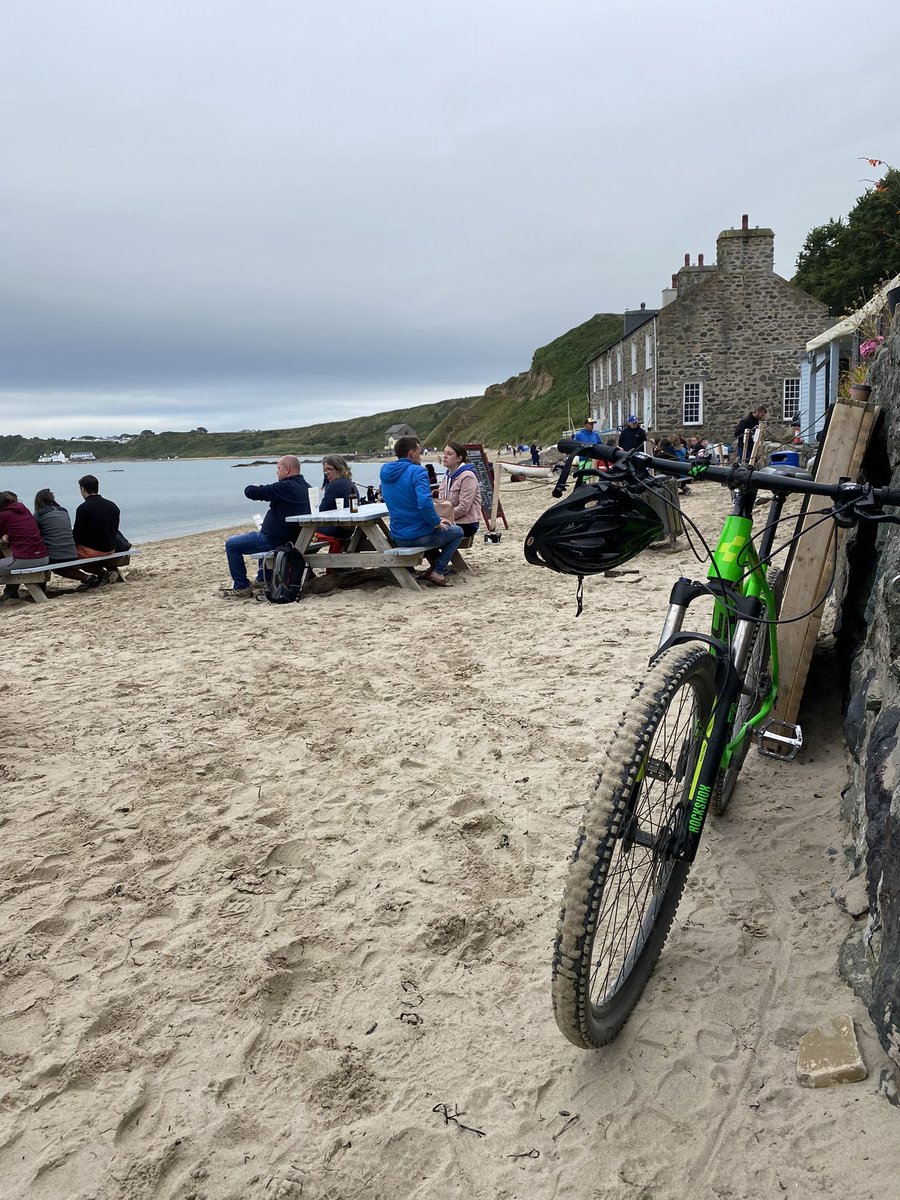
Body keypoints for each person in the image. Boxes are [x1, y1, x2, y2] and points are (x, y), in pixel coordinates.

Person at [379, 436, 463, 588]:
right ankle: (437, 571)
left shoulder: (385, 472)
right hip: (421, 535)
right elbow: (424, 504)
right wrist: (436, 522)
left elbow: (385, 497)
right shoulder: (417, 472)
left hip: (398, 536)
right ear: (411, 454)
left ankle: (415, 569)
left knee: (439, 531)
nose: (421, 455)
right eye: (419, 451)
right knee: (457, 531)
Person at [223, 455, 311, 599]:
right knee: (260, 533)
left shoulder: (283, 487)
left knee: (232, 544)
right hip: (291, 538)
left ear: (287, 469)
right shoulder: (306, 487)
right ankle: (262, 578)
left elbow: (252, 492)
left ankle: (241, 586)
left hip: (274, 540)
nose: (277, 472)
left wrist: (255, 486)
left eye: (278, 468)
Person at [73, 474, 122, 588]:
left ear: (83, 489)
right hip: (110, 549)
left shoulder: (83, 509)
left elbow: (77, 536)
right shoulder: (112, 506)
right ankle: (102, 575)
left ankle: (100, 574)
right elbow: (114, 530)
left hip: (92, 552)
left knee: (66, 555)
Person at [33, 489, 91, 585]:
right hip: (72, 552)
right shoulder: (63, 511)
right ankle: (87, 578)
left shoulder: (39, 514)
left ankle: (40, 588)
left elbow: (33, 533)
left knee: (42, 561)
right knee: (58, 566)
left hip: (55, 555)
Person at [0, 491, 49, 601]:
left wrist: (6, 535)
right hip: (43, 557)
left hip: (26, 559)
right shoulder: (24, 511)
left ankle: (10, 593)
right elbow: (22, 529)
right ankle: (10, 593)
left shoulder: (3, 515)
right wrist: (9, 534)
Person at [435, 442, 481, 537]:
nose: (445, 456)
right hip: (450, 521)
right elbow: (442, 503)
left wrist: (444, 518)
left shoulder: (467, 476)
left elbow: (464, 507)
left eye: (449, 454)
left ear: (459, 458)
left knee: (430, 536)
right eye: (444, 453)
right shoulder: (447, 476)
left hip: (467, 523)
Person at [316, 455, 358, 542]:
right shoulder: (349, 483)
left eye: (329, 469)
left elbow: (322, 509)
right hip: (349, 529)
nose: (326, 473)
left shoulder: (336, 485)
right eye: (325, 470)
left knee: (302, 529)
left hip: (337, 529)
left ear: (339, 469)